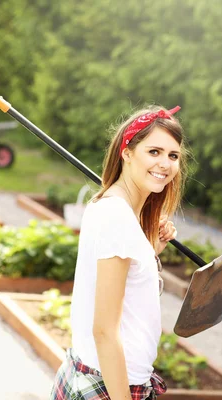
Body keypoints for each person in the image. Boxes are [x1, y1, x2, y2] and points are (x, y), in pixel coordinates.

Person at [49, 105, 188, 400]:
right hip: (109, 388)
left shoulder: (114, 209)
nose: (165, 163)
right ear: (127, 152)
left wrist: (149, 252)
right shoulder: (117, 218)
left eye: (173, 155)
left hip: (101, 377)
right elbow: (104, 331)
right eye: (154, 152)